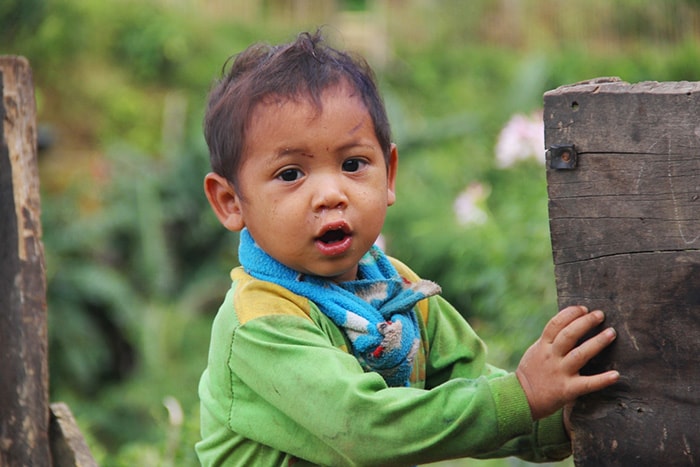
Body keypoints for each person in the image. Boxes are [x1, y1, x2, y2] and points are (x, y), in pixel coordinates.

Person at [197, 29, 620, 466]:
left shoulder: (398, 290)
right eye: (290, 174)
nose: (330, 194)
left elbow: (468, 384)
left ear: (389, 174)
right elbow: (364, 427)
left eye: (352, 164)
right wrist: (522, 396)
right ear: (231, 203)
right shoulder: (260, 321)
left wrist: (555, 413)